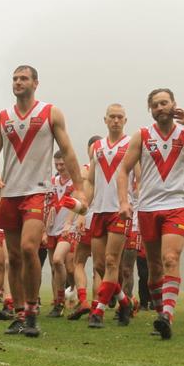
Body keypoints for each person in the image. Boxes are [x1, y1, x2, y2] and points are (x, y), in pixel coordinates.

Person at [0, 65, 86, 338]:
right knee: (13, 258)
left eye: (24, 78)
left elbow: (67, 151)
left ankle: (31, 313)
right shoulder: (2, 118)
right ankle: (19, 314)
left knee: (29, 248)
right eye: (15, 79)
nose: (18, 82)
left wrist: (79, 188)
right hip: (10, 193)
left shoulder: (50, 112)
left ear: (36, 83)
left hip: (37, 191)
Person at [117, 88, 184, 339]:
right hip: (147, 208)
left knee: (170, 259)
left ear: (174, 105)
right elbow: (123, 170)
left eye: (165, 103)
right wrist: (124, 201)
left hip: (175, 205)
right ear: (150, 110)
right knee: (154, 268)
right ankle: (160, 313)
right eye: (155, 105)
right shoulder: (142, 135)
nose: (160, 108)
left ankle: (167, 316)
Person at [86, 104, 136, 328]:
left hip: (120, 211)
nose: (116, 121)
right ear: (105, 120)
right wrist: (84, 205)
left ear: (125, 121)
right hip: (98, 210)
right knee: (98, 265)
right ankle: (124, 302)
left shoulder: (132, 143)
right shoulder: (96, 146)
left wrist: (134, 204)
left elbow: (141, 178)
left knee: (111, 260)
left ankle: (98, 311)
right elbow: (90, 179)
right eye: (112, 117)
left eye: (120, 117)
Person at [68, 136, 103, 320]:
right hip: (104, 218)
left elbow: (80, 197)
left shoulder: (86, 170)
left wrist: (74, 218)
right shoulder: (110, 170)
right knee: (100, 267)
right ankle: (97, 305)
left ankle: (84, 301)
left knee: (79, 262)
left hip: (88, 218)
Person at [44, 151, 77, 317]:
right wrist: (44, 229)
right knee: (54, 267)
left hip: (69, 229)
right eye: (56, 164)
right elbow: (45, 205)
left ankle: (74, 293)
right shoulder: (51, 182)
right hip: (51, 230)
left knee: (63, 263)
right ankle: (58, 303)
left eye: (62, 164)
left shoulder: (77, 182)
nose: (59, 167)